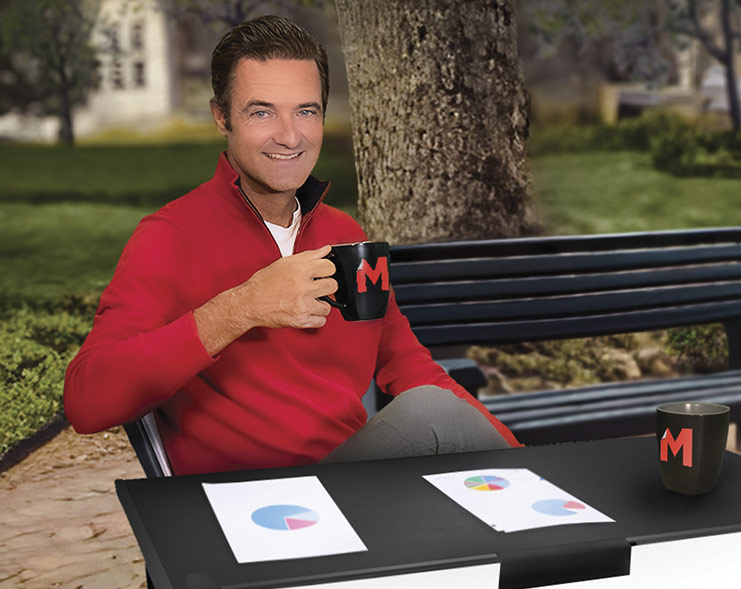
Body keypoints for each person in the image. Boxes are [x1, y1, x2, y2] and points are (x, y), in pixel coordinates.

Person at [63, 16, 518, 476]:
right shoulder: (168, 237)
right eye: (262, 112)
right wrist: (242, 307)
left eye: (306, 110)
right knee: (431, 416)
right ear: (221, 116)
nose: (290, 135)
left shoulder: (346, 237)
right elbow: (86, 402)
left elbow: (412, 368)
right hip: (248, 505)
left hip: (348, 482)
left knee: (441, 423)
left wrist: (527, 463)